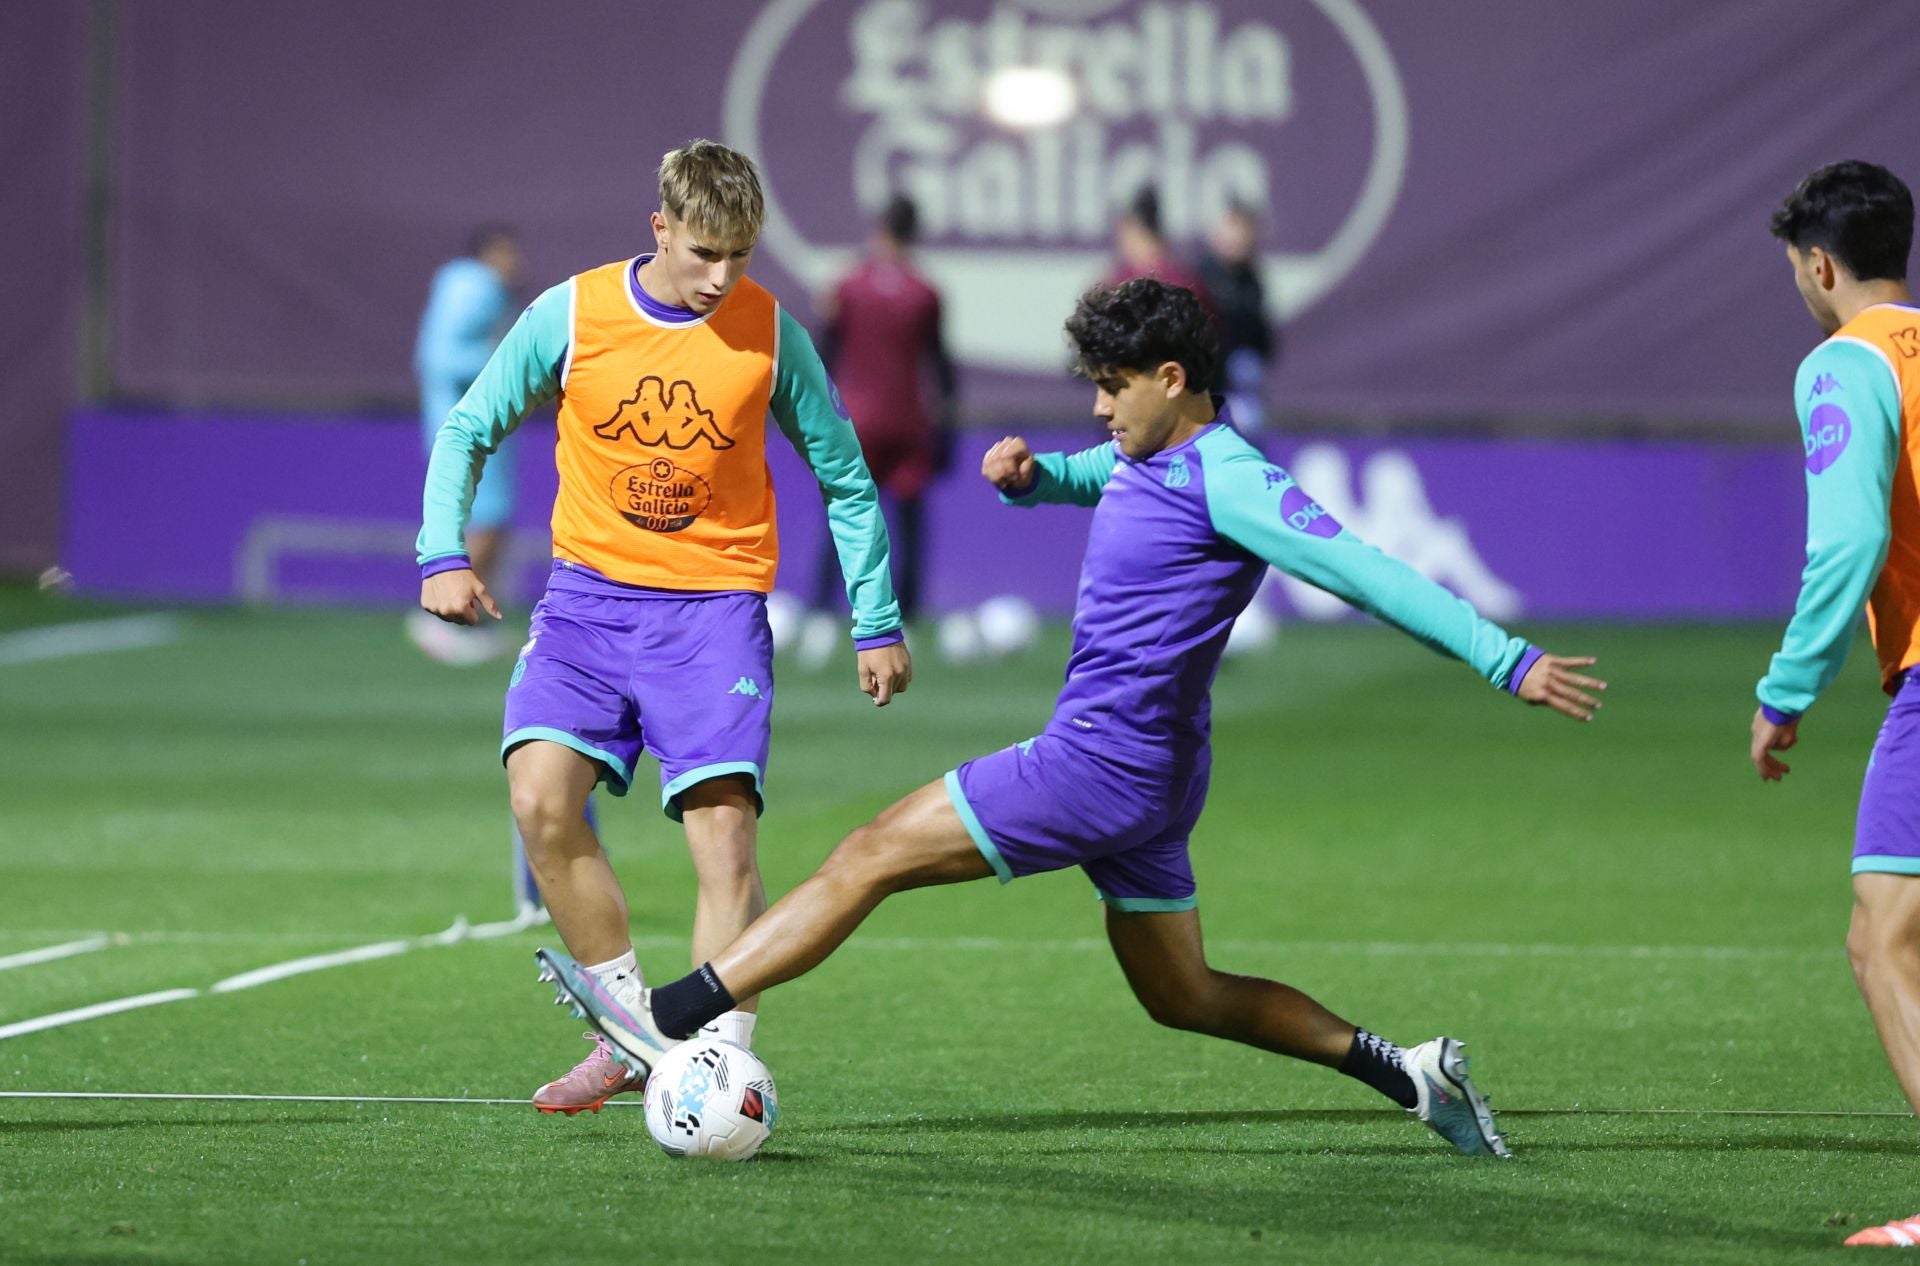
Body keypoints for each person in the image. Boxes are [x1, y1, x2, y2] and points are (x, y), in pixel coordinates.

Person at [537, 278, 1606, 1157]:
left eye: (1113, 386)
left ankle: (664, 1016)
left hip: (1099, 765)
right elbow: (1104, 474)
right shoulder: (1156, 455)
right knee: (1183, 994)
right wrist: (1036, 478)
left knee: (867, 855)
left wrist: (1506, 660)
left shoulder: (1235, 480)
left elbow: (1369, 573)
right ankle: (1412, 1075)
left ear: (1174, 380)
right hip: (1156, 776)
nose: (1100, 408)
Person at [416, 139, 912, 1114]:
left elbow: (846, 479)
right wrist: (443, 554)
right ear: (660, 230)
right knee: (541, 802)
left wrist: (876, 619)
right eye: (702, 254)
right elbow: (469, 425)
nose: (721, 278)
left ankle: (718, 1067)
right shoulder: (571, 312)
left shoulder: (772, 334)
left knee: (723, 841)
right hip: (587, 607)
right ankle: (636, 1032)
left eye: (740, 255)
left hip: (714, 615)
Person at [1741, 161, 1918, 1249]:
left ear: (1819, 265)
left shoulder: (1843, 367)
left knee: (1881, 936)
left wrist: (1787, 689)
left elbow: (1849, 539)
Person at [805, 194, 956, 643]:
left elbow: (822, 356)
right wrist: (946, 426)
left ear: (878, 229)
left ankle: (821, 611)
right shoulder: (925, 292)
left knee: (845, 514)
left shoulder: (847, 287)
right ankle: (906, 615)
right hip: (908, 420)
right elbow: (939, 364)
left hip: (857, 422)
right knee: (908, 524)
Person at [409, 225, 524, 665]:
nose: (517, 263)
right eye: (509, 252)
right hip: (468, 423)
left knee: (491, 520)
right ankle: (441, 619)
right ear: (491, 253)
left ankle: (463, 620)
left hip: (464, 418)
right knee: (487, 520)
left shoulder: (462, 285)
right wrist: (512, 362)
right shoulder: (476, 287)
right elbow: (440, 357)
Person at [1196, 200, 1276, 434]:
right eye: (1233, 229)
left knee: (1247, 372)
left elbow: (1262, 339)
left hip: (1239, 384)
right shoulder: (1204, 276)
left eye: (1243, 231)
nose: (1238, 239)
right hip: (1211, 379)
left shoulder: (1252, 280)